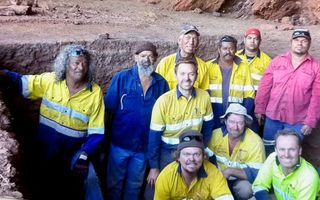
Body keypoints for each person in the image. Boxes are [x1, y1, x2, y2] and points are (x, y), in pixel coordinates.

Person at [0, 44, 105, 200]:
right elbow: (23, 83)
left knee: (83, 184)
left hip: (73, 154)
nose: (80, 67)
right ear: (65, 64)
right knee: (44, 185)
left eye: (84, 63)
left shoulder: (94, 93)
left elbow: (97, 132)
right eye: (76, 63)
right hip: (45, 150)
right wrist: (2, 74)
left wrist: (84, 154)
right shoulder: (51, 81)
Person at [104, 42, 169, 200]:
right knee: (114, 184)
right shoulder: (122, 78)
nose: (146, 59)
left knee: (134, 186)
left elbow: (165, 114)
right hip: (119, 144)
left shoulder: (161, 83)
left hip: (143, 148)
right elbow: (109, 110)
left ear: (155, 59)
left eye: (150, 56)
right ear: (135, 58)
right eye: (142, 56)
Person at [146, 58, 214, 198]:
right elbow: (154, 139)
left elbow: (208, 128)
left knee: (193, 189)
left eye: (191, 74)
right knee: (158, 189)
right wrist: (154, 167)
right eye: (182, 74)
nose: (187, 78)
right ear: (176, 75)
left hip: (193, 150)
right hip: (169, 152)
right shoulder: (163, 101)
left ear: (197, 75)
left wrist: (201, 149)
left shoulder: (204, 97)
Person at [255, 29, 320, 155]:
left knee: (289, 155)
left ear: (309, 43)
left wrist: (311, 120)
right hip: (272, 117)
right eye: (296, 40)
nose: (300, 43)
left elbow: (317, 97)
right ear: (291, 43)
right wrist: (259, 108)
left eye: (304, 41)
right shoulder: (277, 61)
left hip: (297, 121)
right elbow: (265, 86)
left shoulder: (316, 67)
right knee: (268, 151)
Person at [207, 103, 265, 200]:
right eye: (232, 122)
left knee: (246, 190)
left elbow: (258, 173)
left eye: (240, 123)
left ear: (245, 123)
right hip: (217, 178)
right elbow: (205, 162)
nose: (235, 127)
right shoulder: (214, 135)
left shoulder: (255, 141)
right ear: (225, 121)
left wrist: (230, 171)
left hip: (239, 180)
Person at [154, 130, 234, 200]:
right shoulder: (166, 176)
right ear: (178, 157)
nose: (192, 159)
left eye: (196, 154)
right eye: (187, 154)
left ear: (203, 157)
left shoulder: (214, 173)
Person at [252, 129, 319, 200]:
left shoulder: (309, 177)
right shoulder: (272, 158)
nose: (286, 155)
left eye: (292, 149)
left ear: (300, 151)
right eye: (282, 149)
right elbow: (259, 185)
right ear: (276, 150)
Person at [206, 35, 255, 130]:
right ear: (219, 50)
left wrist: (243, 116)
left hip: (235, 117)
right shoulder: (208, 66)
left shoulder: (244, 67)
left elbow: (250, 95)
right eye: (225, 48)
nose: (228, 51)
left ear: (236, 50)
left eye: (231, 48)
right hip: (213, 114)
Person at [236, 28, 271, 133]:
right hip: (237, 99)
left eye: (255, 39)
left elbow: (268, 87)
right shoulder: (235, 57)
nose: (252, 41)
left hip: (256, 103)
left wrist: (261, 108)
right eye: (249, 38)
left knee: (253, 131)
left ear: (260, 41)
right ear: (244, 39)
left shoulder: (267, 61)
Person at [156, 24, 209, 90]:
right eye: (188, 37)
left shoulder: (202, 66)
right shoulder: (165, 63)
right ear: (179, 41)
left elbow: (204, 93)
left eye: (194, 39)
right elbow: (157, 89)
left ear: (197, 43)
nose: (191, 42)